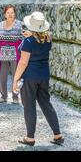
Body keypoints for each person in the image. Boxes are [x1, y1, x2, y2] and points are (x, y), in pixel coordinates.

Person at [13, 11, 64, 146]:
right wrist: (31, 35)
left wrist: (15, 80)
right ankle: (58, 135)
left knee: (29, 106)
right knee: (46, 104)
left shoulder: (28, 41)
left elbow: (23, 62)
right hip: (44, 75)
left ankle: (30, 138)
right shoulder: (48, 39)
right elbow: (39, 39)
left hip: (30, 76)